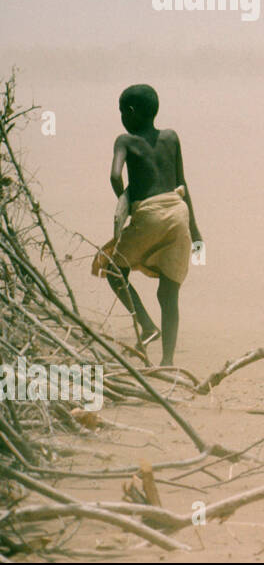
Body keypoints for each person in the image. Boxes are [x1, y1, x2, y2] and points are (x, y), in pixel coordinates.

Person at [92, 84, 201, 367]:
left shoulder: (125, 141)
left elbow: (115, 176)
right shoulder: (172, 137)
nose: (120, 117)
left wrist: (126, 202)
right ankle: (167, 362)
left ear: (130, 112)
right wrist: (197, 232)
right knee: (169, 292)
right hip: (179, 213)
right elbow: (182, 183)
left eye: (120, 111)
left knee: (115, 273)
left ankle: (147, 325)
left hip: (149, 212)